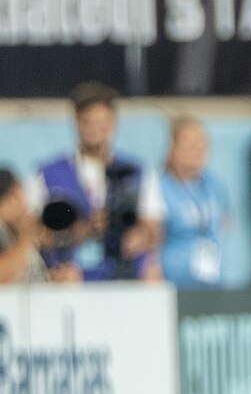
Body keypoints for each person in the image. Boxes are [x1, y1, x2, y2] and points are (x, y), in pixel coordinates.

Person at [31, 82, 165, 283]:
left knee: (152, 273)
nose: (95, 131)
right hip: (71, 273)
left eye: (102, 123)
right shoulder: (48, 174)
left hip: (122, 271)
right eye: (88, 123)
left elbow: (154, 229)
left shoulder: (136, 172)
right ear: (76, 121)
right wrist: (78, 233)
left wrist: (140, 236)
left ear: (113, 122)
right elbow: (34, 234)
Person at [158, 116, 231, 288]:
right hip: (174, 281)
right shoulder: (160, 187)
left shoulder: (214, 184)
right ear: (173, 148)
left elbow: (226, 220)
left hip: (212, 280)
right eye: (190, 145)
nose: (198, 151)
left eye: (202, 144)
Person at [0, 169, 51, 284]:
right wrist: (25, 239)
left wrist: (54, 280)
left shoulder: (16, 231)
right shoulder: (5, 231)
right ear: (13, 196)